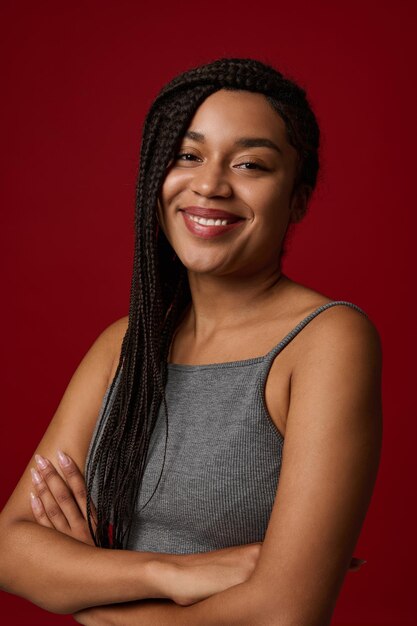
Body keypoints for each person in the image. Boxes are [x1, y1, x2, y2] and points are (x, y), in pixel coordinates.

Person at [0, 57, 382, 625]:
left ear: (298, 199)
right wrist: (171, 574)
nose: (210, 183)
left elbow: (281, 613)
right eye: (187, 155)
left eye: (251, 163)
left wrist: (93, 601)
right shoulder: (125, 345)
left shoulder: (326, 340)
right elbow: (12, 549)